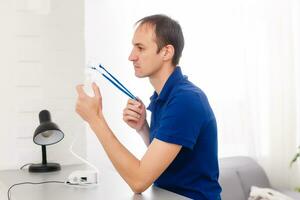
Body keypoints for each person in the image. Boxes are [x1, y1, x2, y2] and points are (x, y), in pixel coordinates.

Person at [75, 14, 222, 200]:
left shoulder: (186, 100)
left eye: (140, 48)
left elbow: (139, 181)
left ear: (166, 52)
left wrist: (95, 119)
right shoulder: (164, 97)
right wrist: (143, 128)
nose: (131, 56)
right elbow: (169, 158)